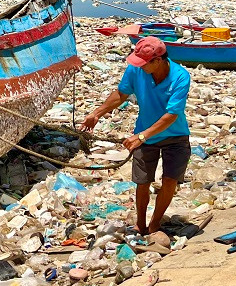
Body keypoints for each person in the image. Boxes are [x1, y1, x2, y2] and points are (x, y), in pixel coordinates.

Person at [80, 36, 191, 235]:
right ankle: (141, 223)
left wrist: (142, 136)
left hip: (175, 136)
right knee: (142, 181)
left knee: (169, 180)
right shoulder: (135, 70)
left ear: (157, 61)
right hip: (144, 133)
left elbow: (171, 115)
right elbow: (121, 94)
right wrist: (96, 113)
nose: (139, 66)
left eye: (143, 63)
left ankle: (156, 222)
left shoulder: (181, 76)